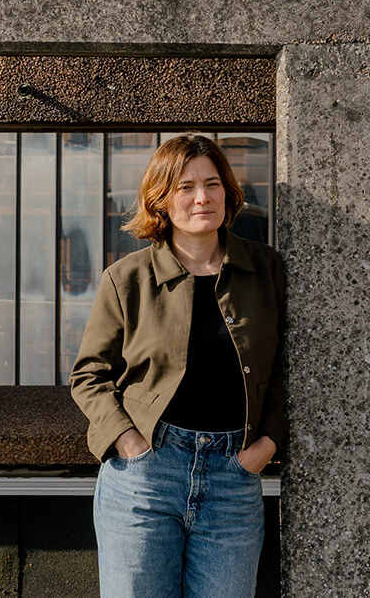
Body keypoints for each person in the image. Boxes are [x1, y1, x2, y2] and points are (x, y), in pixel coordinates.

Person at [70, 134, 286, 598]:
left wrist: (267, 444)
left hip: (234, 475)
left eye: (212, 184)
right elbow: (89, 375)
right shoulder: (126, 278)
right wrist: (128, 442)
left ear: (228, 193)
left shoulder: (266, 269)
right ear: (162, 200)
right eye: (185, 187)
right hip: (146, 476)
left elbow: (290, 368)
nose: (201, 197)